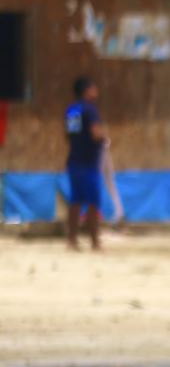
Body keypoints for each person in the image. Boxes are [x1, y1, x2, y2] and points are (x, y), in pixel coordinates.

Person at [64, 76, 106, 250]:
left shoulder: (72, 110)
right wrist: (104, 138)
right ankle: (95, 242)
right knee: (93, 202)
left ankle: (72, 240)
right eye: (93, 87)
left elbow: (69, 135)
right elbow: (95, 134)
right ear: (86, 91)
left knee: (75, 201)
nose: (96, 91)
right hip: (89, 163)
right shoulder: (90, 110)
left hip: (74, 161)